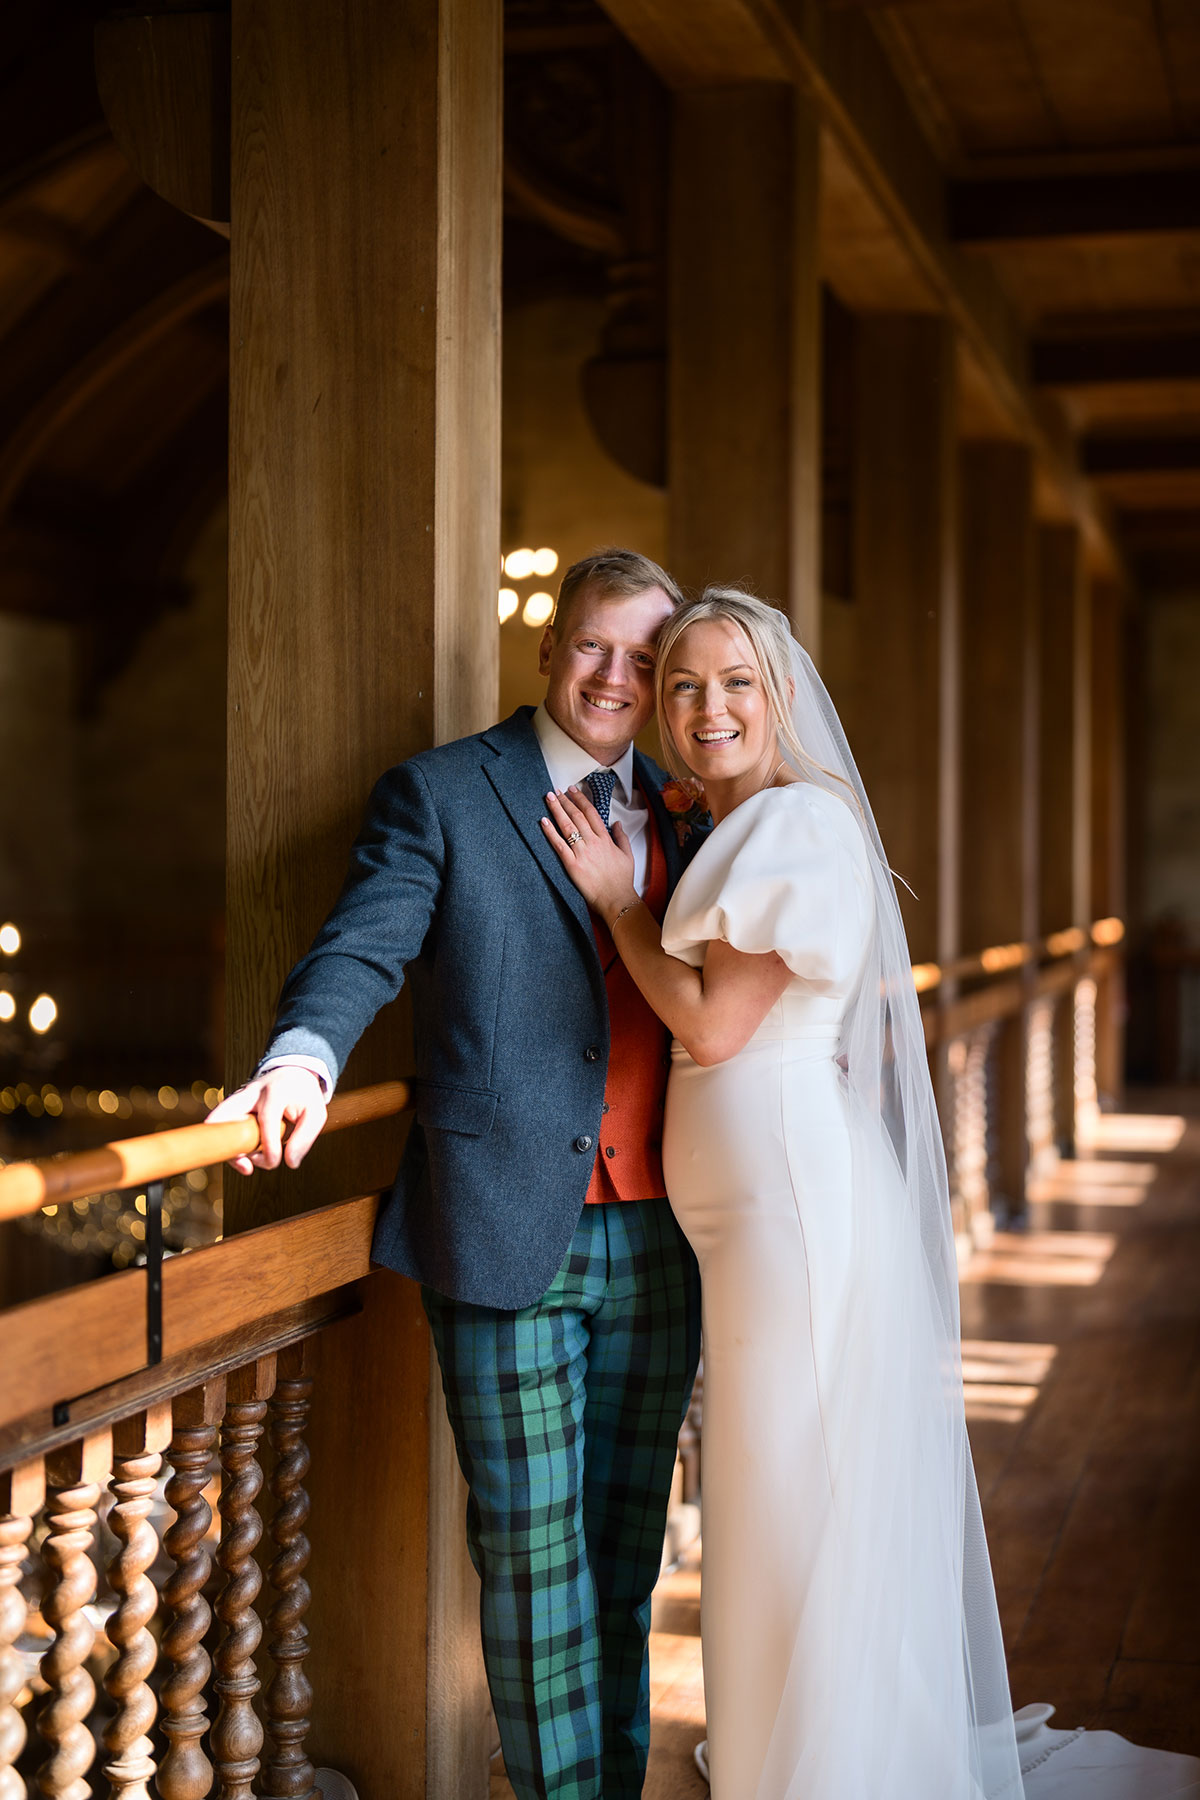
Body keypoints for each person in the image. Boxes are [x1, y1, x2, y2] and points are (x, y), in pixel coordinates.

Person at [542, 587, 1200, 1800]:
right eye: (683, 685)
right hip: (755, 1201)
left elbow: (710, 1022)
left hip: (782, 1194)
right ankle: (789, 1735)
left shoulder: (789, 827)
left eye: (735, 681)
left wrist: (616, 900)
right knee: (771, 1466)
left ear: (782, 694)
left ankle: (832, 1759)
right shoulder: (742, 821)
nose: (706, 707)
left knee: (791, 1467)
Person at [208, 548, 705, 1800]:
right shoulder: (439, 793)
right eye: (594, 645)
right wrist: (304, 1062)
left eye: (643, 661)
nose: (613, 677)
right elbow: (360, 949)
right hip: (498, 1230)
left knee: (621, 1557)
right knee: (534, 1562)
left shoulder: (697, 812)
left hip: (671, 1234)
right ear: (547, 646)